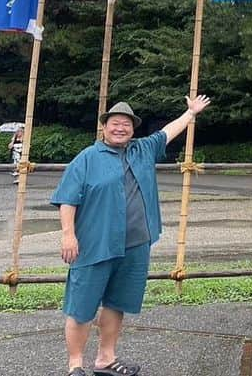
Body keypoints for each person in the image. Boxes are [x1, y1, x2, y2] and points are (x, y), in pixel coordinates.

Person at [52, 94, 210, 376]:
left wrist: (191, 113)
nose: (120, 128)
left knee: (117, 303)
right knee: (82, 307)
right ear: (104, 127)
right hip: (94, 244)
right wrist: (68, 235)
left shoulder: (143, 150)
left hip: (135, 244)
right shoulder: (87, 158)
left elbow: (168, 132)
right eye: (114, 123)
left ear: (133, 129)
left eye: (126, 124)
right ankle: (75, 365)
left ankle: (105, 359)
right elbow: (68, 199)